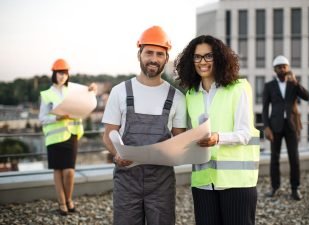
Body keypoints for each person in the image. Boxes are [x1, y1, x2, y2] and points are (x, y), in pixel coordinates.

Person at [102, 25, 187, 225]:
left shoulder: (177, 98)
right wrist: (116, 154)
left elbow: (179, 140)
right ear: (139, 54)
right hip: (126, 180)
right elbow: (108, 135)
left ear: (166, 59)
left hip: (161, 182)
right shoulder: (119, 92)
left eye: (160, 54)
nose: (154, 59)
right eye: (149, 52)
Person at [175, 35, 260, 225]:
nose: (202, 62)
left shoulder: (239, 88)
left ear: (219, 58)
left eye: (208, 56)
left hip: (236, 183)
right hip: (203, 183)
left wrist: (217, 138)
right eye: (197, 57)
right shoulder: (190, 95)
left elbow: (245, 133)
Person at [39, 58, 97, 215]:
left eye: (65, 73)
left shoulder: (73, 90)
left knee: (69, 171)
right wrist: (57, 118)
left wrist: (91, 90)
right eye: (59, 73)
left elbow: (85, 99)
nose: (62, 76)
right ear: (54, 74)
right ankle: (62, 202)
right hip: (54, 138)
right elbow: (42, 118)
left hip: (71, 135)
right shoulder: (46, 94)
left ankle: (69, 199)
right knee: (58, 171)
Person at [262, 55, 309, 201]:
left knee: (294, 158)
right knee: (274, 158)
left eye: (285, 66)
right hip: (275, 126)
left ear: (288, 68)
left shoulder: (293, 84)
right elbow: (264, 109)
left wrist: (296, 83)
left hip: (291, 126)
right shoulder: (269, 86)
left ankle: (295, 189)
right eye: (279, 67)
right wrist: (266, 127)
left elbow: (307, 97)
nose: (282, 69)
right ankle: (274, 187)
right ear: (275, 70)